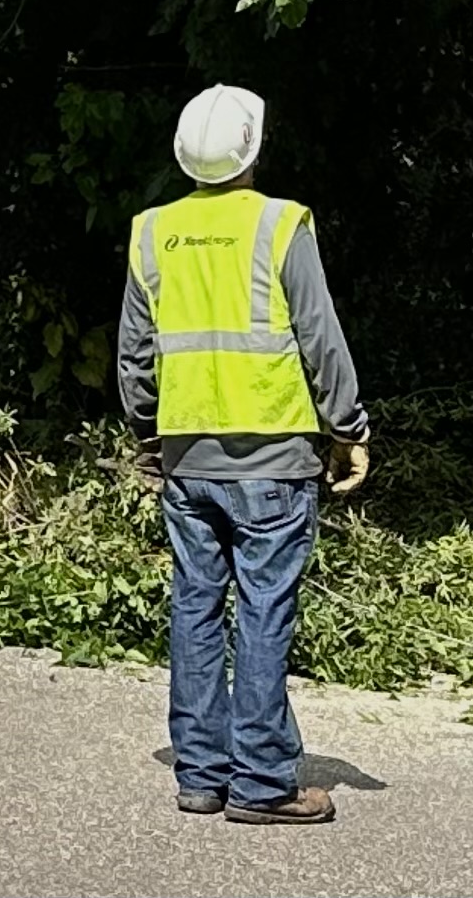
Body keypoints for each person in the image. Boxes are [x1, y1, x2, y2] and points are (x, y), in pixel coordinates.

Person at [119, 84, 368, 826]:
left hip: (187, 455)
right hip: (273, 454)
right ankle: (261, 780)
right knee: (262, 610)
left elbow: (135, 352)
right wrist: (347, 425)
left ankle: (200, 774)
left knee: (195, 605)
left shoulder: (151, 231)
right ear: (253, 148)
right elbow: (318, 335)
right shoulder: (279, 223)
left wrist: (145, 432)